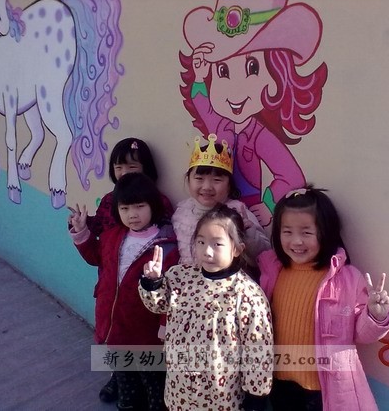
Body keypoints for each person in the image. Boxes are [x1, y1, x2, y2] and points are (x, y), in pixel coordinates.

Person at [180, 0, 328, 227]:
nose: (235, 89)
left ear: (276, 76)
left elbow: (292, 176)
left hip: (245, 215)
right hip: (215, 212)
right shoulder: (221, 126)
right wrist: (199, 77)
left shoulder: (259, 135)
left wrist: (268, 204)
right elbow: (203, 106)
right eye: (223, 71)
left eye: (252, 68)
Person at [258, 186, 389, 411]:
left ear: (326, 232)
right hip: (280, 383)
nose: (296, 241)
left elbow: (361, 334)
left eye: (306, 233)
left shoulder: (347, 278)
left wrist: (376, 315)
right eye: (287, 232)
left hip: (324, 390)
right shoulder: (272, 269)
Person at [140, 205, 273, 411]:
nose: (207, 251)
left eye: (217, 244)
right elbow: (158, 305)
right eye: (201, 242)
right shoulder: (180, 276)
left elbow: (257, 349)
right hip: (179, 389)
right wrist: (153, 283)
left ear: (237, 249)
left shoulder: (247, 294)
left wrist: (256, 397)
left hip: (222, 396)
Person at [70, 172, 179, 410]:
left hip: (147, 333)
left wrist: (164, 325)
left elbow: (171, 294)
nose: (132, 214)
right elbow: (95, 257)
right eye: (125, 208)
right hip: (114, 329)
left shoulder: (167, 246)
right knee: (126, 384)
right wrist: (82, 234)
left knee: (154, 386)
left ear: (153, 206)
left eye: (140, 206)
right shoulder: (112, 236)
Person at [172, 134, 270, 271]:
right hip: (188, 281)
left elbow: (265, 255)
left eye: (217, 180)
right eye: (199, 178)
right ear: (188, 180)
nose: (207, 187)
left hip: (225, 281)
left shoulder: (237, 212)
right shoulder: (182, 211)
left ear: (229, 185)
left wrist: (248, 232)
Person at [83, 137, 174, 237]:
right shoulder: (109, 200)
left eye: (132, 167)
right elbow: (98, 228)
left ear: (146, 168)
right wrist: (82, 223)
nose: (124, 173)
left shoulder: (158, 199)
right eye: (118, 167)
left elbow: (167, 233)